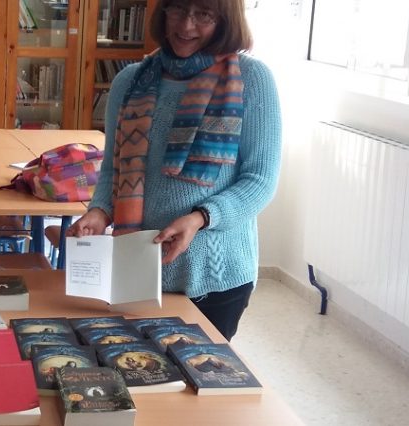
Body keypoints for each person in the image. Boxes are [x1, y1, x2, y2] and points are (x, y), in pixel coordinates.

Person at [67, 0, 281, 340]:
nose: (186, 25)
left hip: (214, 278)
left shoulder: (252, 79)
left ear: (225, 20)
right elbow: (113, 168)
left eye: (204, 15)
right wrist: (99, 210)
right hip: (136, 269)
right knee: (130, 365)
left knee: (197, 370)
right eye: (178, 10)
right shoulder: (130, 81)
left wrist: (201, 218)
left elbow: (260, 180)